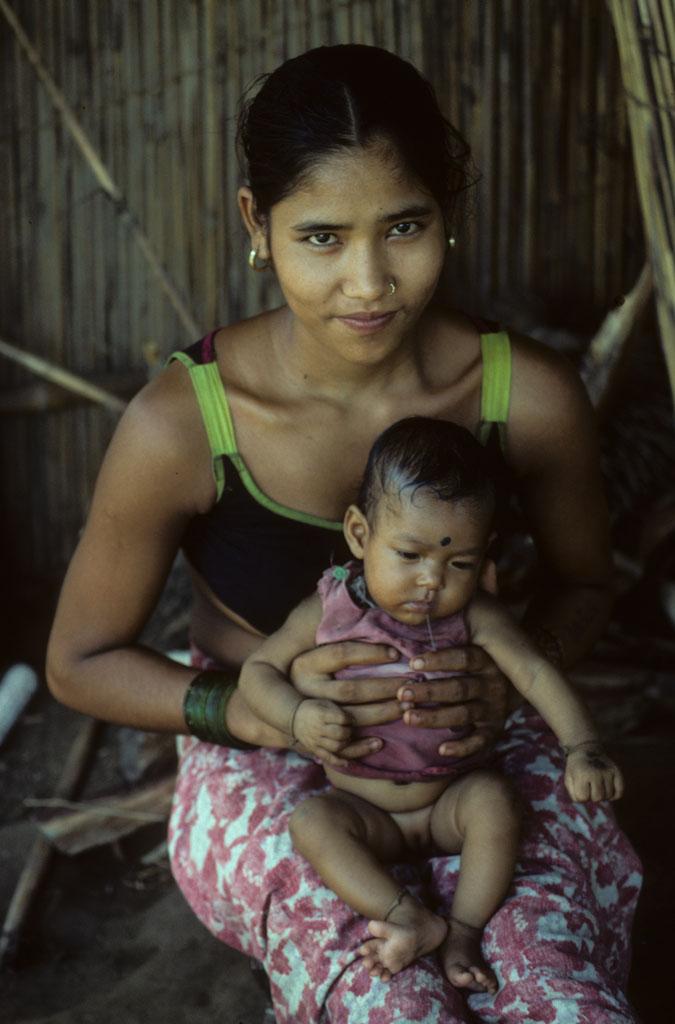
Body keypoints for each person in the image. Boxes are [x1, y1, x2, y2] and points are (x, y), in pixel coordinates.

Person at [46, 43, 641, 1024]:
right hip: (273, 761)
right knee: (382, 994)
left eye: (403, 226)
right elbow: (78, 661)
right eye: (322, 236)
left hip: (474, 747)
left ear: (447, 209)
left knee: (552, 984)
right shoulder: (187, 422)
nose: (369, 281)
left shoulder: (523, 397)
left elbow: (585, 583)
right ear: (257, 223)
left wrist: (503, 682)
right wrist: (256, 712)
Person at [239, 416, 624, 995]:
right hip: (362, 808)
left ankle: (463, 931)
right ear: (359, 534)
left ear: (485, 555)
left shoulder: (476, 616)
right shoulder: (329, 607)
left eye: (459, 563)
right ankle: (405, 915)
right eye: (411, 554)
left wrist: (583, 748)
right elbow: (257, 671)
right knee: (312, 823)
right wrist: (295, 716)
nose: (432, 580)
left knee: (495, 802)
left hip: (449, 801)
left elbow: (536, 672)